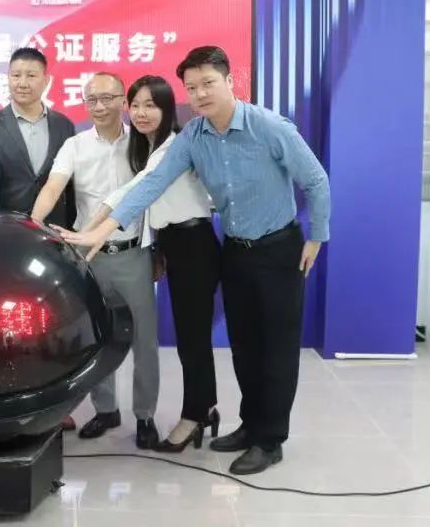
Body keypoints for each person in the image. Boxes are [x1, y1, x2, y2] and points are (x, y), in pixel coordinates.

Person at [59, 46, 329, 475]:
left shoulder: (268, 126)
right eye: (192, 87)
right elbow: (149, 185)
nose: (200, 93)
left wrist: (317, 236)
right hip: (236, 251)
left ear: (229, 81)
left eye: (208, 83)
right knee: (243, 346)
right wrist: (101, 230)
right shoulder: (193, 137)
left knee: (276, 347)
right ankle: (250, 424)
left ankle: (270, 438)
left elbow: (315, 179)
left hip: (279, 249)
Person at [82, 75, 221, 453]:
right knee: (191, 338)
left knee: (192, 340)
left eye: (151, 105)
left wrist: (92, 232)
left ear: (167, 108)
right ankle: (204, 409)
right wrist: (158, 248)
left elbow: (135, 191)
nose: (141, 113)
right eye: (136, 105)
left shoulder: (173, 145)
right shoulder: (148, 145)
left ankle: (195, 416)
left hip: (194, 244)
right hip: (174, 244)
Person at [31, 73, 160, 449]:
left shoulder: (143, 142)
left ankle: (145, 415)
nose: (99, 107)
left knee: (144, 342)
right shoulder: (74, 145)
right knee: (98, 338)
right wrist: (32, 224)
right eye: (92, 100)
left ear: (123, 101)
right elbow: (53, 187)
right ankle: (105, 410)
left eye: (107, 98)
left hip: (133, 254)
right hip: (88, 257)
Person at [0, 47, 76, 228]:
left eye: (31, 76)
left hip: (53, 228)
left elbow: (70, 186)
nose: (22, 83)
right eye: (16, 75)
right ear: (8, 78)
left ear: (46, 80)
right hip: (7, 227)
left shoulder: (64, 125)